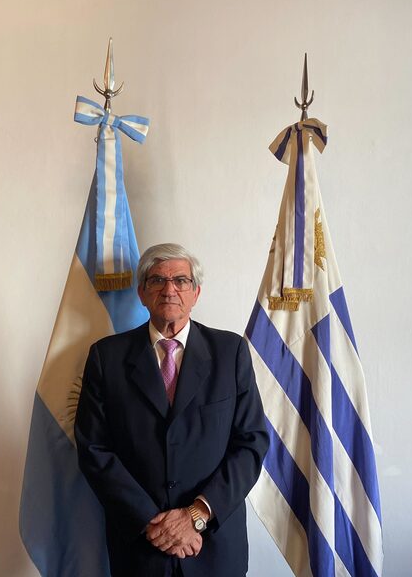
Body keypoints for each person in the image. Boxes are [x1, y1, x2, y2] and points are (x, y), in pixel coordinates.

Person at [75, 243, 269, 577]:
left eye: (181, 280)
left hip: (214, 547)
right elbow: (94, 449)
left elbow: (251, 443)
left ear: (196, 292)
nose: (169, 290)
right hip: (140, 546)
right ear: (142, 293)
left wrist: (196, 514)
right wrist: (154, 524)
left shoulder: (230, 352)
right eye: (157, 281)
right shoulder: (106, 358)